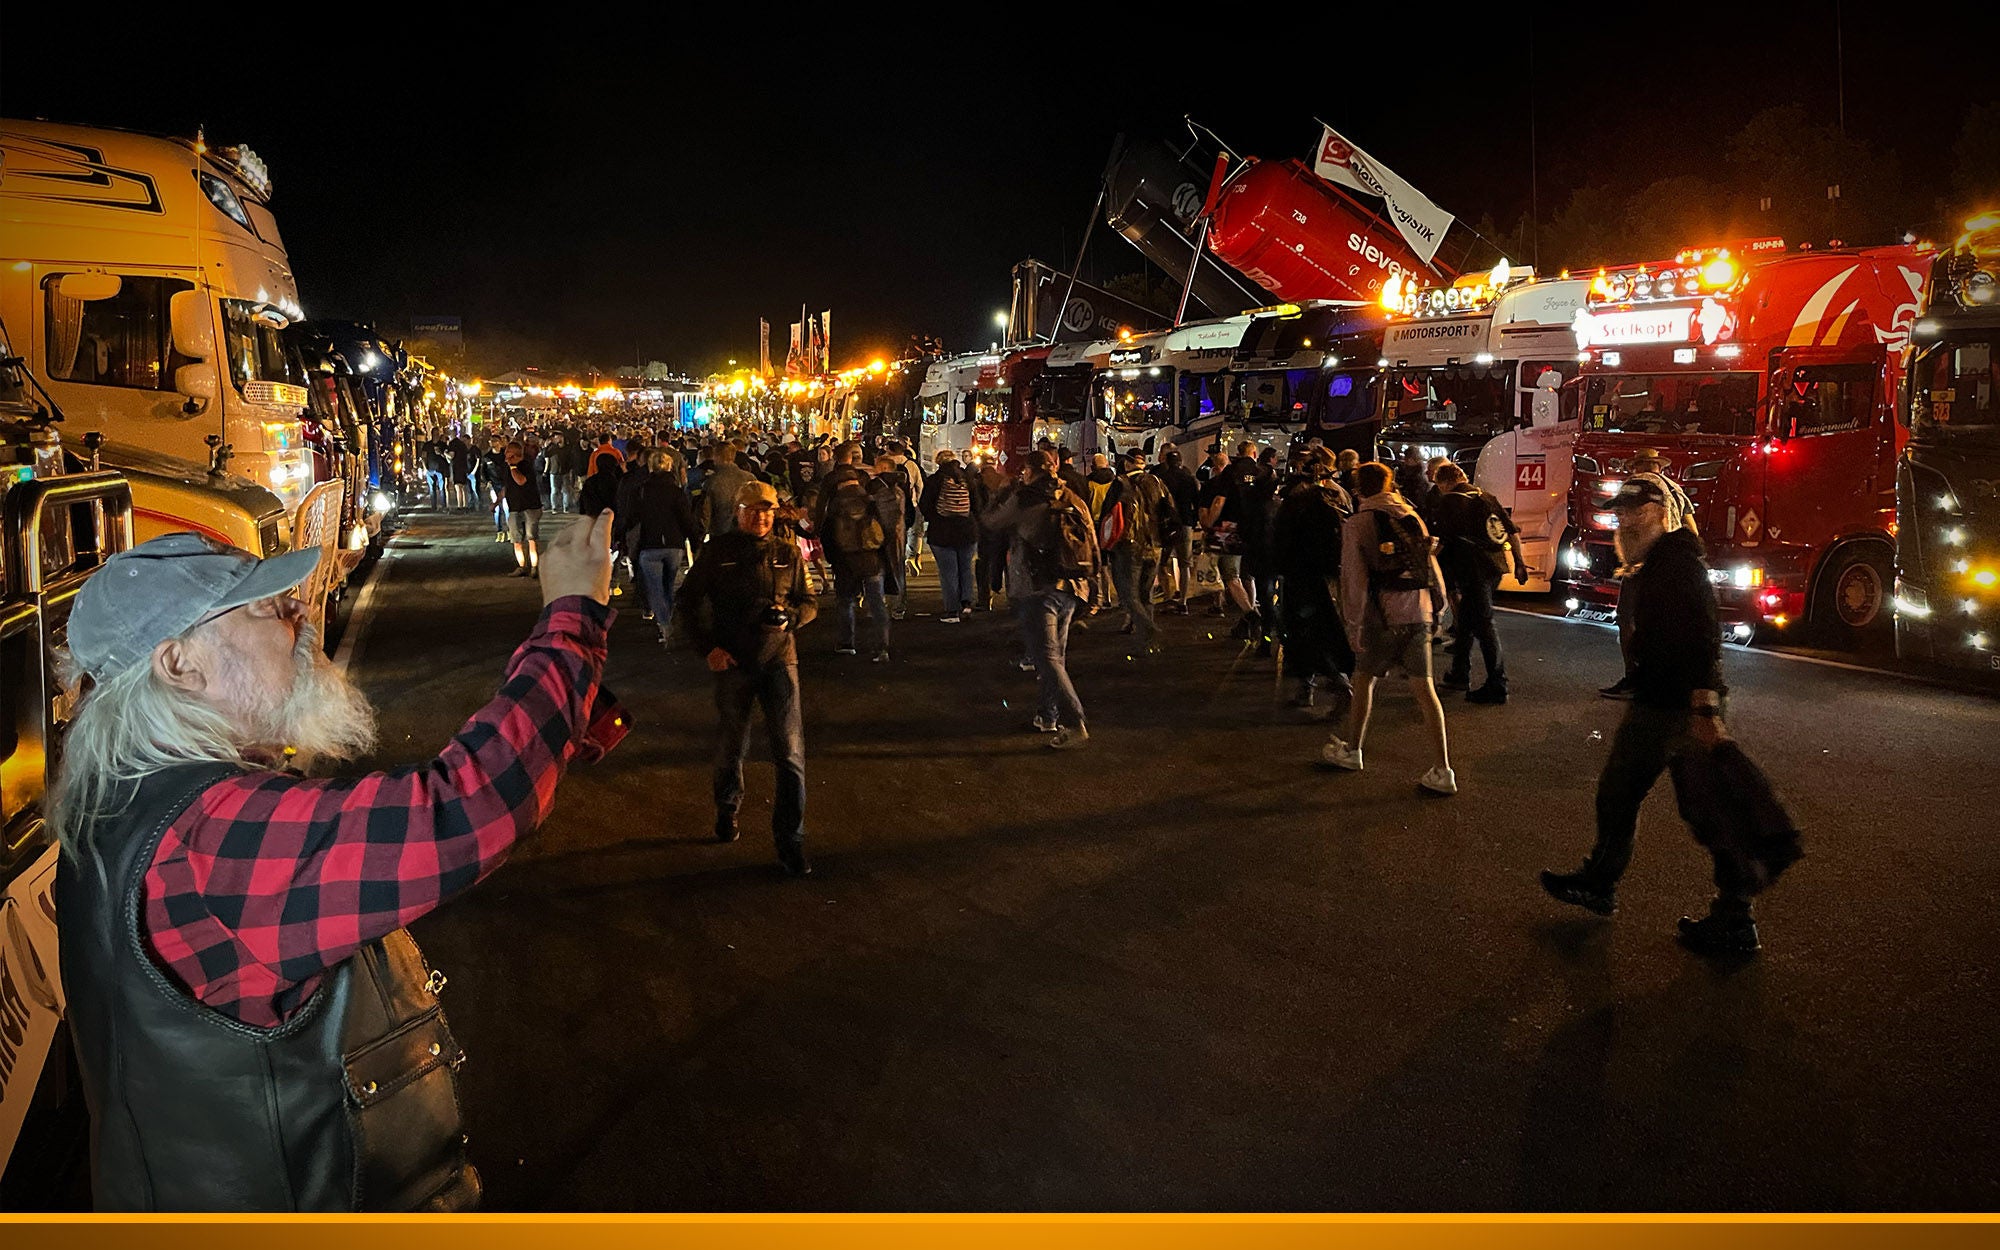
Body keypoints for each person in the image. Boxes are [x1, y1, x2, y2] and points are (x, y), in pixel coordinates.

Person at [48, 518, 624, 1211]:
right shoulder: (210, 836)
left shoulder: (132, 799)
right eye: (266, 606)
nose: (299, 615)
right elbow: (466, 808)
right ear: (179, 664)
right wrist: (571, 621)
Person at [1540, 478, 1768, 954]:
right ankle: (1603, 883)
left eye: (1627, 512)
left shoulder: (1677, 564)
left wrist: (1704, 705)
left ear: (1653, 511)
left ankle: (1734, 917)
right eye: (1617, 512)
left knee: (1702, 811)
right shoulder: (1658, 562)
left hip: (1680, 706)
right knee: (1626, 794)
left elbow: (1706, 632)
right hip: (1661, 699)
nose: (1619, 520)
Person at [676, 480, 818, 877]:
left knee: (790, 756)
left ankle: (791, 842)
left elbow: (809, 602)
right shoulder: (718, 552)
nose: (762, 517)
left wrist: (793, 618)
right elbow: (687, 602)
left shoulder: (788, 553)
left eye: (769, 510)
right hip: (733, 662)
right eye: (754, 510)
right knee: (731, 745)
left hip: (780, 660)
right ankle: (727, 807)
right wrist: (708, 649)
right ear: (738, 512)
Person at [1320, 461, 1457, 796]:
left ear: (1358, 489)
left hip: (1382, 617)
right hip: (1420, 612)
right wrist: (1438, 606)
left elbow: (1354, 580)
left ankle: (1353, 750)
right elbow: (1429, 564)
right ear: (1389, 483)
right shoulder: (1411, 517)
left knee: (1364, 680)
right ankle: (1443, 769)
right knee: (1426, 691)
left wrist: (1353, 625)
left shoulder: (1359, 523)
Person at [983, 449, 1099, 749]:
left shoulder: (1025, 498)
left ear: (1030, 471)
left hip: (1037, 587)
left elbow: (991, 522)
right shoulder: (1072, 497)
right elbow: (1092, 541)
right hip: (1074, 587)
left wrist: (1001, 492)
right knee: (1055, 657)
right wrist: (1093, 585)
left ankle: (1074, 722)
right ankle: (1048, 715)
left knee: (1046, 657)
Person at [1600, 448, 1698, 699]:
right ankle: (1667, 681)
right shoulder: (1676, 489)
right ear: (1659, 467)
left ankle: (1634, 678)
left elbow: (1626, 525)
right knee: (1666, 621)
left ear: (1640, 465)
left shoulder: (1637, 485)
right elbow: (1693, 532)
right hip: (1673, 561)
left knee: (1627, 618)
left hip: (1643, 562)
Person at [1430, 463, 1527, 704]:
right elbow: (1511, 531)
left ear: (1443, 483)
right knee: (1467, 620)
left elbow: (1441, 540)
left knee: (1484, 625)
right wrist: (1519, 562)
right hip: (1495, 566)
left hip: (1471, 568)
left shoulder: (1449, 501)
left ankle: (1497, 683)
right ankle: (1459, 673)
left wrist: (1427, 565)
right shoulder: (1486, 496)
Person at [1273, 447, 1355, 710]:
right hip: (1328, 576)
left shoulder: (1296, 502)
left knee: (1305, 633)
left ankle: (1333, 684)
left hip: (1301, 578)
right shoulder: (1335, 498)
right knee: (1324, 631)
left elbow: (1281, 540)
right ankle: (1312, 686)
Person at [814, 442, 893, 662]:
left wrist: (824, 542)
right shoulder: (866, 480)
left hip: (845, 553)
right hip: (871, 552)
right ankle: (882, 646)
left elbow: (822, 516)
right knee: (877, 601)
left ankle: (846, 643)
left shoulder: (830, 481)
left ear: (836, 459)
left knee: (846, 600)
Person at [631, 447, 704, 644]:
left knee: (655, 587)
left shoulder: (642, 490)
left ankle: (664, 624)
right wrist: (694, 539)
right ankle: (668, 618)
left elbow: (633, 517)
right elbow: (686, 519)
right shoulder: (676, 492)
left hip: (650, 543)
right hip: (674, 544)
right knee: (669, 585)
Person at [1103, 447, 1168, 654]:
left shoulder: (1120, 483)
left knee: (1128, 594)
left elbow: (1108, 514)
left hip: (1129, 546)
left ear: (1128, 463)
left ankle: (1149, 630)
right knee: (1145, 594)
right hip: (1155, 545)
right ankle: (1147, 642)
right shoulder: (1156, 482)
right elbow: (1170, 509)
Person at [1198, 446, 1261, 635]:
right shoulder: (1258, 475)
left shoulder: (1216, 483)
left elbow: (1216, 503)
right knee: (1246, 576)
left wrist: (1208, 523)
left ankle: (1251, 614)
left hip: (1225, 533)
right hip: (1249, 531)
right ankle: (1246, 620)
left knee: (1230, 577)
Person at [919, 449, 978, 622]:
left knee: (948, 572)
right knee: (966, 568)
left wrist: (935, 519)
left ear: (938, 463)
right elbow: (977, 505)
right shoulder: (967, 479)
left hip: (942, 532)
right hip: (967, 531)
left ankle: (952, 611)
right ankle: (967, 604)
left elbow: (925, 505)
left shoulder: (934, 481)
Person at [1152, 447, 1198, 614]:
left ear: (1166, 462)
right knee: (1185, 563)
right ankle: (1183, 601)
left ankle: (1168, 595)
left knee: (1161, 562)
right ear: (1181, 462)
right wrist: (1193, 521)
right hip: (1185, 524)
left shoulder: (1161, 479)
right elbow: (1196, 502)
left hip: (1166, 526)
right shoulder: (1188, 478)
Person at [972, 455, 1011, 612]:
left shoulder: (978, 483)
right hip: (1005, 531)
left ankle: (985, 600)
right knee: (1008, 566)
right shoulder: (1005, 481)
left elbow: (976, 507)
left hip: (986, 530)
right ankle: (1012, 600)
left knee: (984, 565)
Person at [501, 441, 545, 577]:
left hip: (530, 507)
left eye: (508, 454)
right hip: (514, 507)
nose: (505, 457)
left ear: (514, 455)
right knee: (516, 540)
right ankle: (521, 566)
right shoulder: (508, 468)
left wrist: (513, 467)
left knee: (531, 538)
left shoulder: (526, 465)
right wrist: (497, 502)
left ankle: (534, 567)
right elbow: (506, 487)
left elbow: (521, 481)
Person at [698, 442, 755, 540]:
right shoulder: (750, 478)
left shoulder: (712, 482)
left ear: (717, 456)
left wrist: (700, 539)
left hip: (720, 535)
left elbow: (705, 514)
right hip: (746, 534)